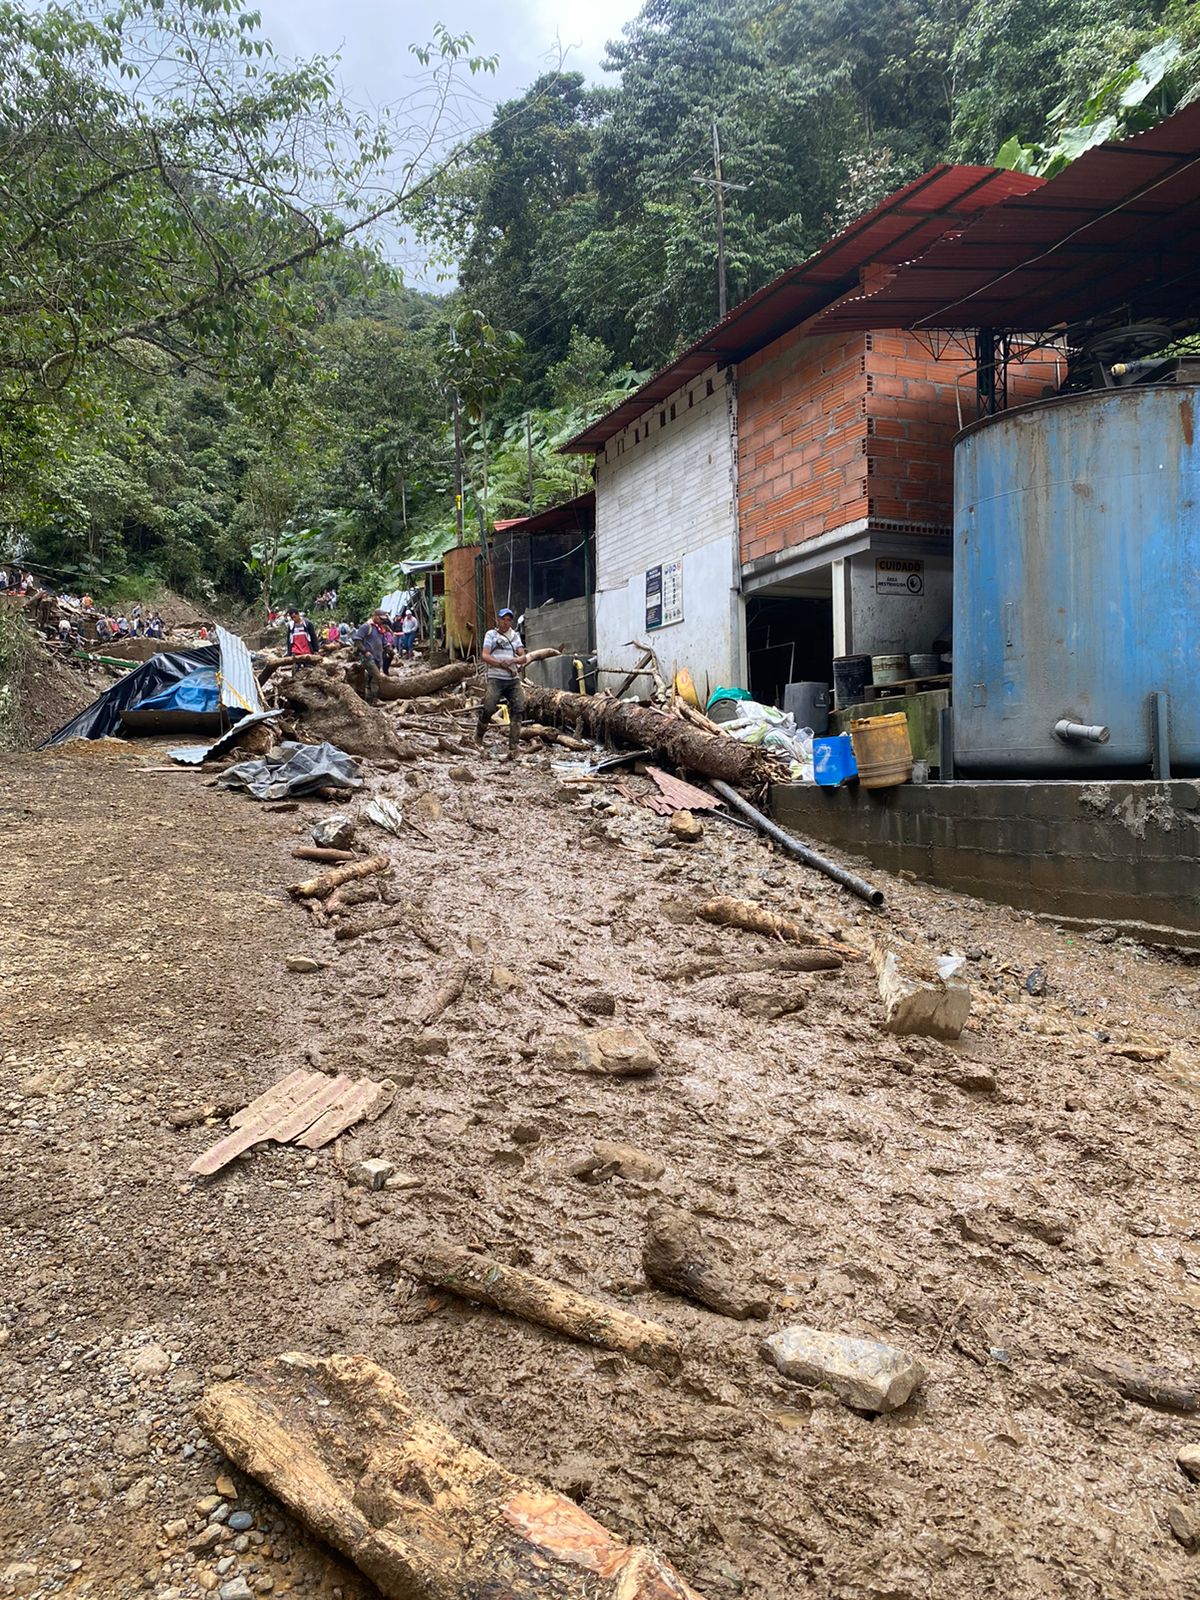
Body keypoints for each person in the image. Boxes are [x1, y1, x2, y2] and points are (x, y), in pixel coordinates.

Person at [476, 606, 526, 760]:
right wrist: (500, 664)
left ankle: (513, 744)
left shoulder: (515, 636)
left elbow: (523, 657)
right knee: (489, 707)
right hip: (496, 678)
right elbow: (485, 655)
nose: (506, 622)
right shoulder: (491, 635)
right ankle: (478, 736)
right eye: (503, 619)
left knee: (518, 707)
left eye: (509, 620)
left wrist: (512, 660)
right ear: (498, 620)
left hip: (512, 679)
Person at [351, 610, 390, 703]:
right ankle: (375, 700)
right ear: (375, 616)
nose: (382, 621)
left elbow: (384, 642)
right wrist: (364, 651)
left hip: (378, 657)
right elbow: (357, 640)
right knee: (377, 677)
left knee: (371, 678)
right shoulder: (366, 627)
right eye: (381, 619)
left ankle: (369, 700)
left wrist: (390, 651)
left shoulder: (379, 628)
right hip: (368, 657)